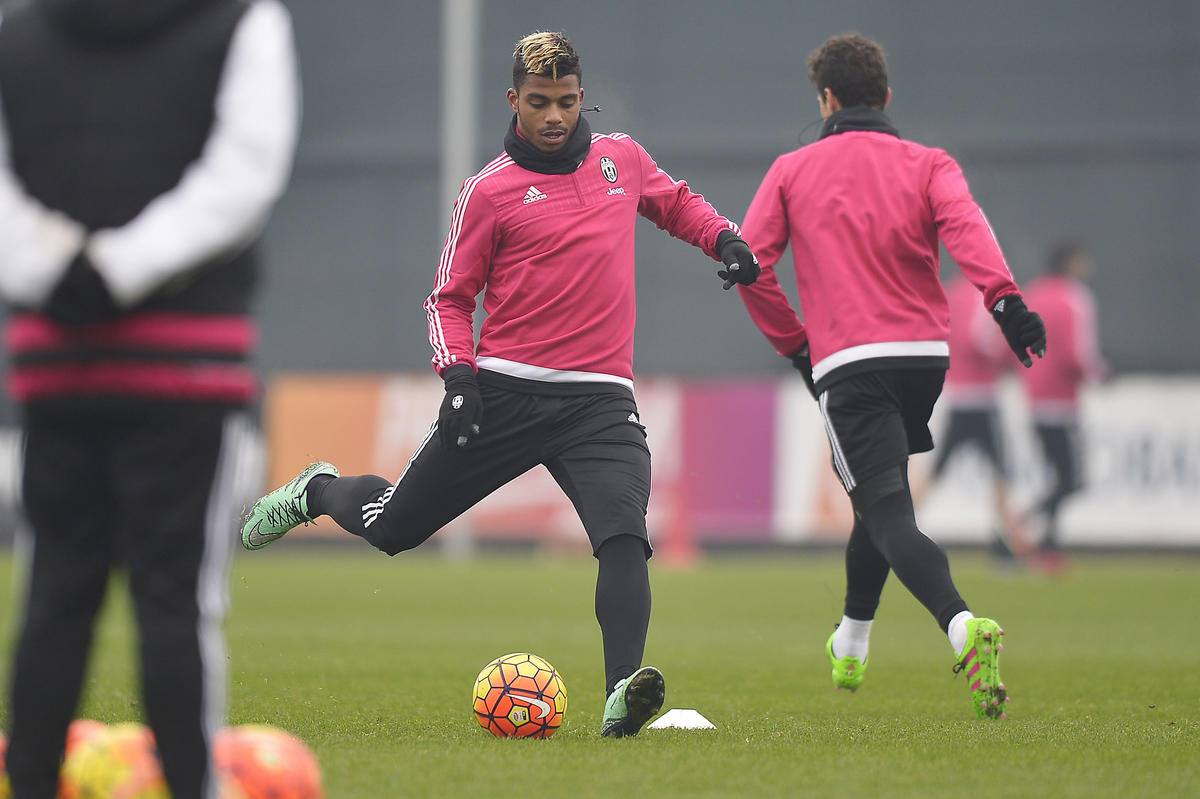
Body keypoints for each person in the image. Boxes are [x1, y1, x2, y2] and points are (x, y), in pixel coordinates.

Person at [239, 30, 760, 738]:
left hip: (600, 400)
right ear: (514, 100)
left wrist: (725, 238)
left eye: (567, 102)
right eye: (539, 102)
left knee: (623, 536)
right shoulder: (487, 192)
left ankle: (621, 696)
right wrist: (459, 378)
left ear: (582, 98)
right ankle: (318, 491)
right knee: (392, 529)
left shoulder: (623, 160)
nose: (555, 116)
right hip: (504, 394)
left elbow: (677, 204)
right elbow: (448, 299)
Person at [0, 0, 299, 796]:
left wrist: (55, 267)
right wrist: (124, 266)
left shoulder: (18, 33)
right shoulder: (243, 21)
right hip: (187, 363)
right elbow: (243, 177)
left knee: (53, 596)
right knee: (176, 602)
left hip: (57, 358)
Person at [734, 33, 1046, 719]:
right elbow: (967, 228)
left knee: (887, 512)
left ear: (826, 99)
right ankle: (851, 640)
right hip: (923, 360)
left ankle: (962, 626)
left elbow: (750, 264)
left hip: (851, 363)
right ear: (886, 97)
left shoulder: (791, 169)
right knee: (876, 501)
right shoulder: (929, 162)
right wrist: (1005, 302)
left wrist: (796, 346)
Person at [911, 274, 1031, 566]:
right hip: (982, 398)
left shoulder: (951, 293)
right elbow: (978, 338)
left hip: (958, 395)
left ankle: (896, 527)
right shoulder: (982, 297)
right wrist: (1007, 351)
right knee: (1001, 473)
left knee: (937, 470)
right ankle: (1005, 543)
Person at [1020, 241, 1106, 573]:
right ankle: (1024, 521)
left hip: (1034, 399)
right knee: (1071, 479)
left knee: (1058, 477)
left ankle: (1048, 546)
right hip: (1062, 403)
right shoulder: (1074, 298)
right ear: (1071, 263)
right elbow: (1077, 354)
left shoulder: (1032, 294)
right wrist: (1100, 374)